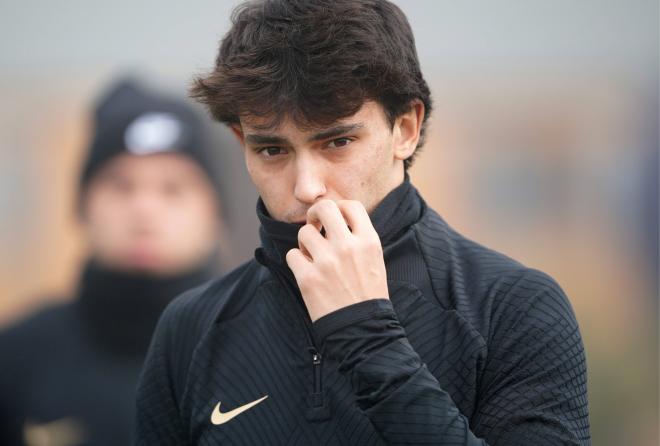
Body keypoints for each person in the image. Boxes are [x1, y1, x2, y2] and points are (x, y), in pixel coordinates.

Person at [135, 1, 590, 444]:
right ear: (241, 143)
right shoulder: (191, 327)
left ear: (405, 128)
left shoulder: (513, 307)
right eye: (272, 150)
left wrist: (366, 335)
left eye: (337, 141)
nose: (307, 187)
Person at [0, 77, 229, 446]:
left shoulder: (269, 356)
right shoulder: (15, 359)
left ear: (215, 212)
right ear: (83, 205)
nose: (144, 210)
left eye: (173, 188)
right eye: (121, 185)